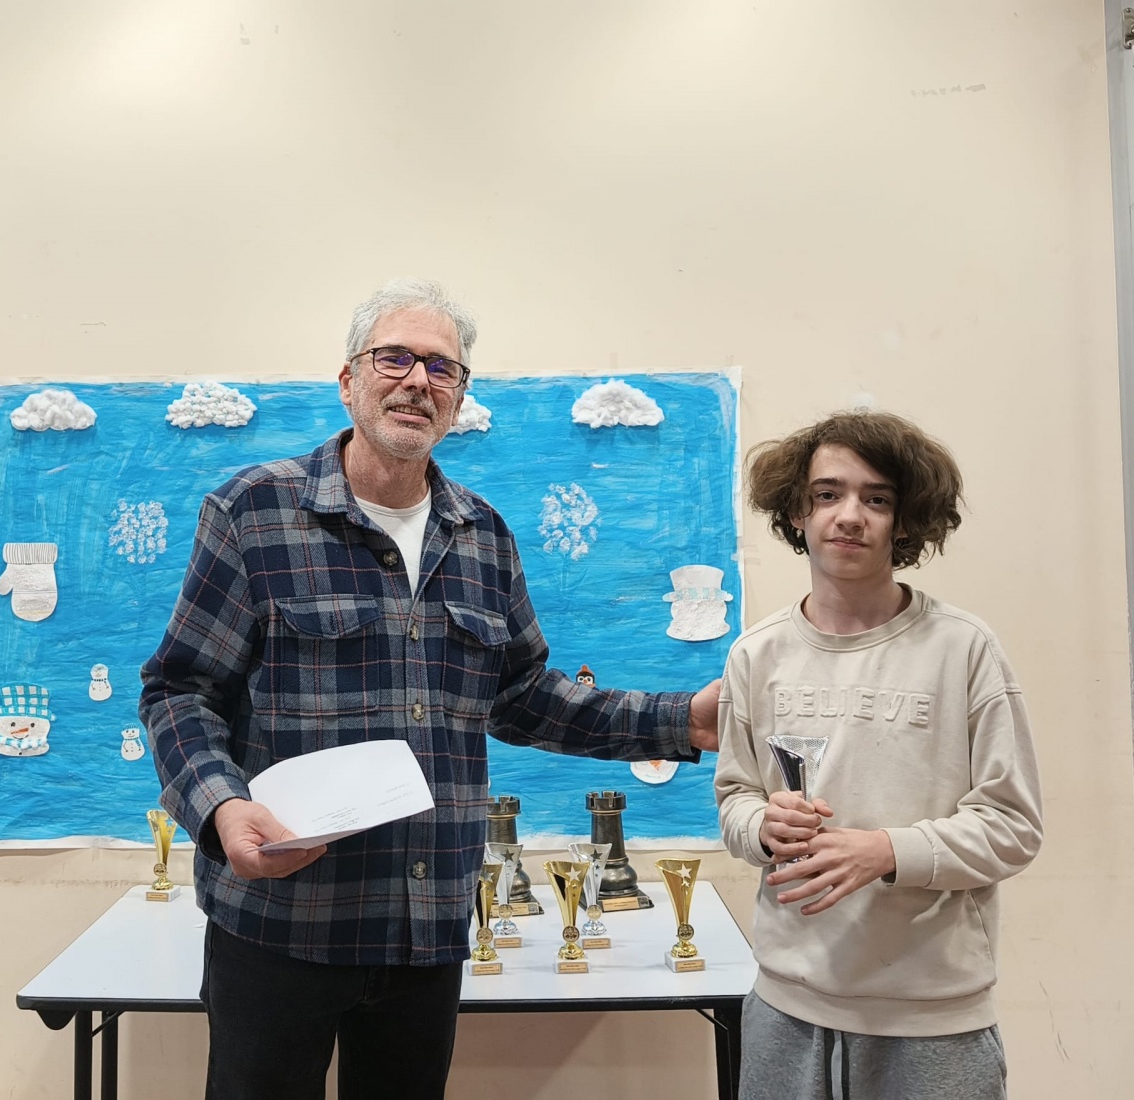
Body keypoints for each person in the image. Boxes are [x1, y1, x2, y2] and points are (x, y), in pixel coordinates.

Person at [139, 277, 720, 1100]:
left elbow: (522, 696)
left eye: (442, 367)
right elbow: (179, 690)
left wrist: (681, 722)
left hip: (429, 928)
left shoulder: (482, 535)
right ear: (349, 380)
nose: (418, 380)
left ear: (459, 398)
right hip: (280, 924)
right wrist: (221, 809)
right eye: (395, 358)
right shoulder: (253, 512)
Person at [713, 410, 1043, 1099]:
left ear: (904, 519)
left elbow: (1013, 827)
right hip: (784, 1008)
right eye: (827, 494)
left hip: (933, 1019)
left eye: (877, 498)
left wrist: (887, 851)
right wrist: (761, 826)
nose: (850, 515)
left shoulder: (964, 649)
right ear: (797, 512)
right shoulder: (756, 655)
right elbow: (736, 799)